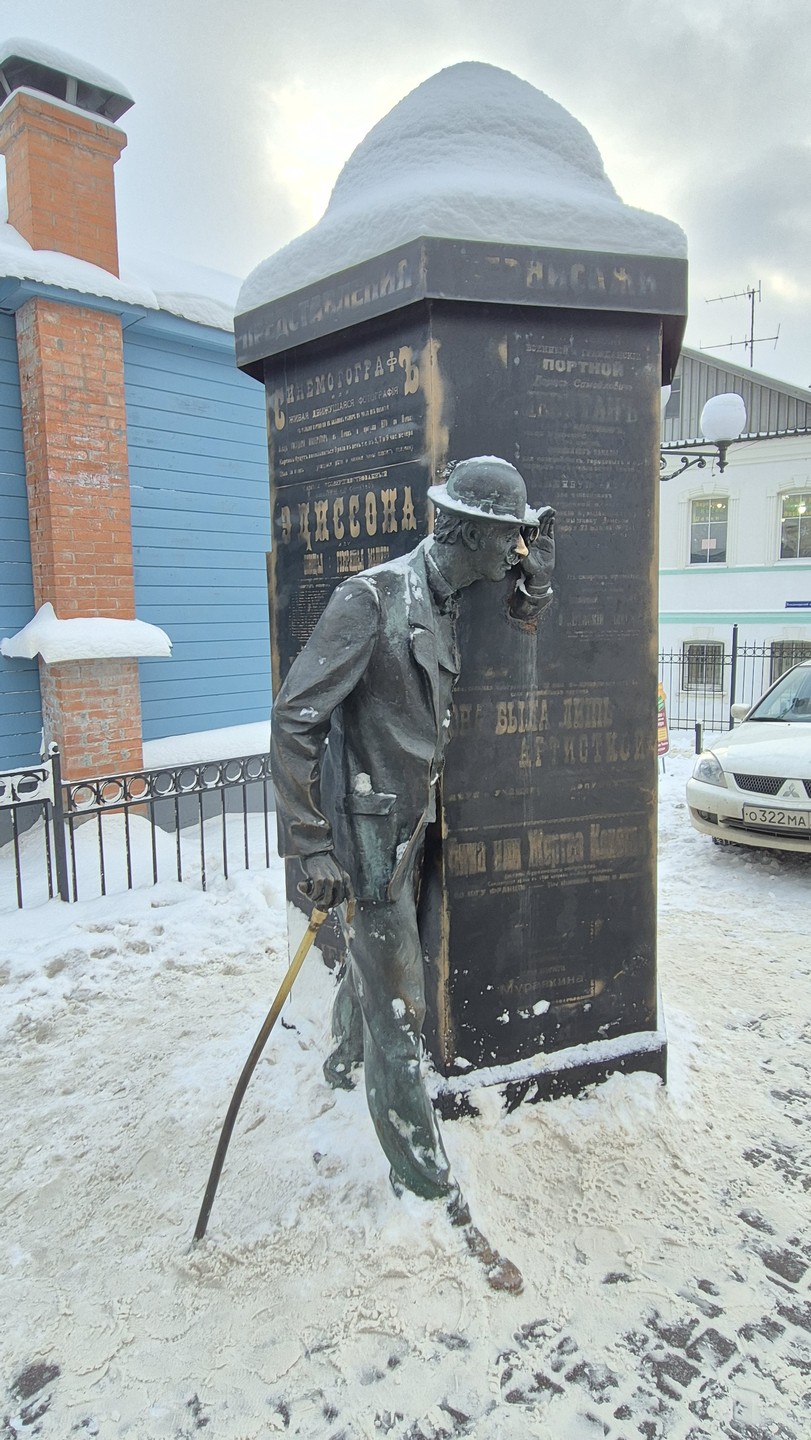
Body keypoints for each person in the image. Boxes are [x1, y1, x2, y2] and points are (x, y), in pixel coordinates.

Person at [270, 456, 555, 1292]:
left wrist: (531, 579)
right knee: (401, 1005)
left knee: (374, 964)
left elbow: (520, 612)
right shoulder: (370, 600)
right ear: (466, 533)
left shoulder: (444, 589)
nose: (514, 551)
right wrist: (309, 844)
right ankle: (427, 1189)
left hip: (409, 824)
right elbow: (295, 722)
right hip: (362, 839)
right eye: (507, 538)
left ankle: (338, 1065)